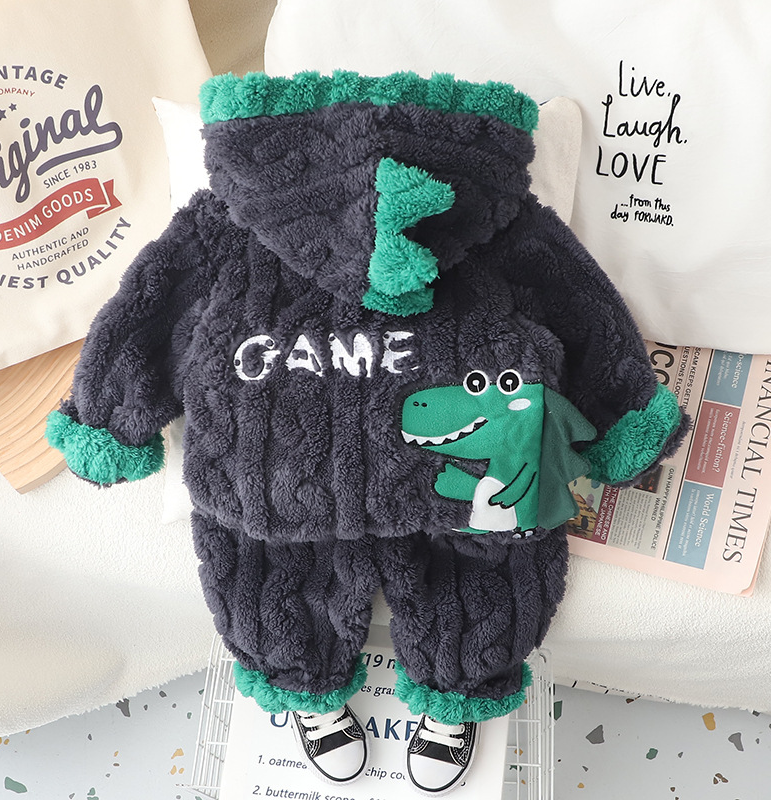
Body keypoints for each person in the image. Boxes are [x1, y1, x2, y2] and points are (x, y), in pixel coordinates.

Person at [47, 70, 688, 794]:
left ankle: (314, 686)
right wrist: (623, 417)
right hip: (459, 475)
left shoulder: (220, 223)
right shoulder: (507, 220)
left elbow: (146, 313)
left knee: (269, 568)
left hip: (274, 466)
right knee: (480, 567)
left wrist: (106, 418)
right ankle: (437, 689)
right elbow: (585, 312)